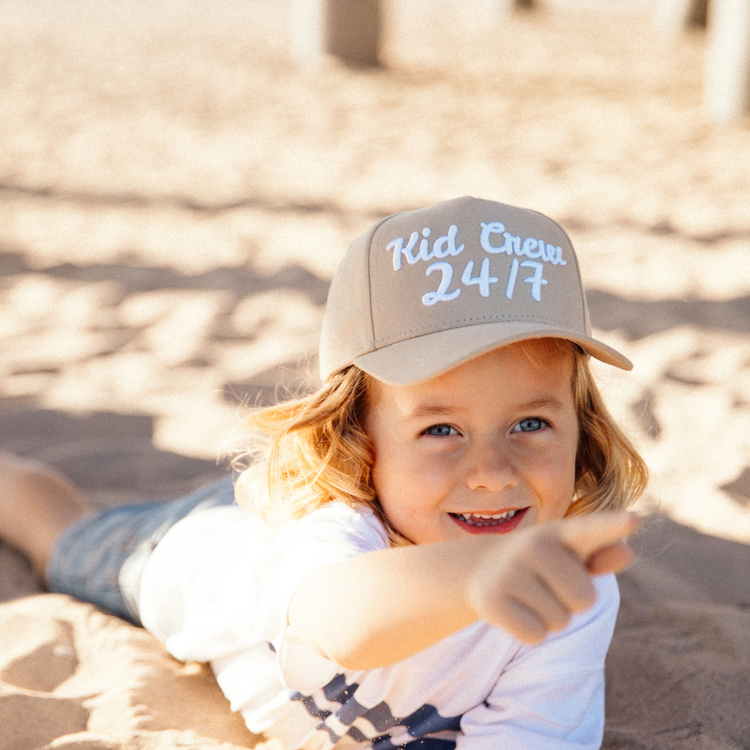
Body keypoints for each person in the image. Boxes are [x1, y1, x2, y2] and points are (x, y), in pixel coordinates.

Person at [0, 196, 648, 749]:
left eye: (530, 424)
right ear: (358, 441)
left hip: (300, 511)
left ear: (583, 430)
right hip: (198, 549)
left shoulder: (573, 588)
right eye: (440, 430)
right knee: (56, 534)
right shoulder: (335, 534)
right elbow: (347, 626)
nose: (491, 473)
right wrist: (481, 573)